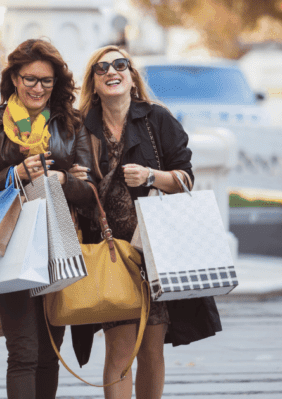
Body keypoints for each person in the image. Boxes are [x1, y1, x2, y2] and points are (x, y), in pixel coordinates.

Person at [68, 45, 222, 399]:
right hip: (110, 255)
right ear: (94, 80)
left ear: (132, 75)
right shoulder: (81, 126)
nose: (112, 71)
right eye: (102, 67)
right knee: (120, 351)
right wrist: (74, 176)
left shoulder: (157, 119)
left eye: (120, 64)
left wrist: (152, 176)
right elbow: (69, 186)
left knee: (151, 350)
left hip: (154, 254)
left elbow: (186, 178)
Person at [0, 38, 95, 399]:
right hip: (12, 244)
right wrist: (16, 174)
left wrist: (62, 179)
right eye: (30, 79)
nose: (38, 88)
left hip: (58, 240)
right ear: (14, 78)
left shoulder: (71, 123)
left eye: (46, 81)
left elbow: (91, 192)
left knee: (48, 355)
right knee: (23, 352)